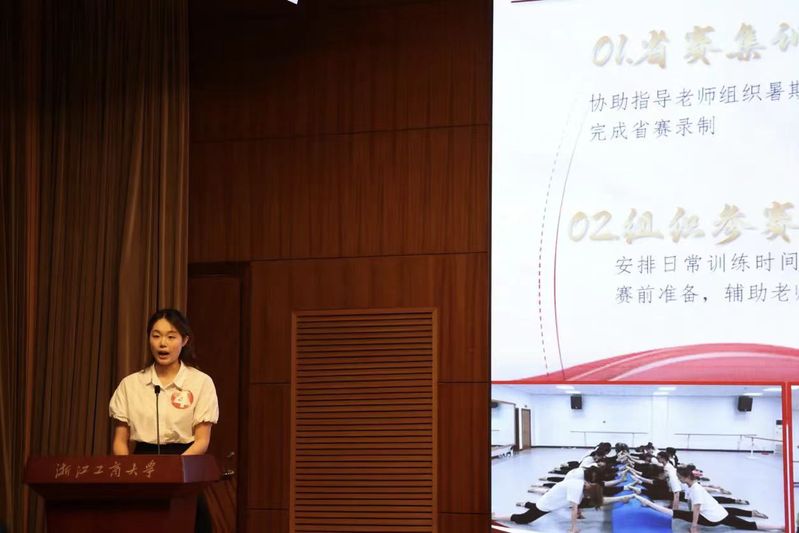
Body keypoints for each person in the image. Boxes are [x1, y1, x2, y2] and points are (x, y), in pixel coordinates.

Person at [109, 309, 219, 532]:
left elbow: (202, 440)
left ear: (184, 341)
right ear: (149, 338)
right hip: (141, 466)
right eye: (156, 335)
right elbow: (120, 441)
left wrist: (173, 470)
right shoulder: (131, 385)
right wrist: (129, 472)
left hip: (184, 466)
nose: (162, 344)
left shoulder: (201, 382)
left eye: (171, 336)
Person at [635, 466, 782, 531]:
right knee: (747, 525)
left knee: (677, 513)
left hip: (711, 519)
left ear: (685, 477)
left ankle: (647, 503)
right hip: (720, 513)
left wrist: (694, 526)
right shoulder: (691, 485)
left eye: (679, 477)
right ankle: (780, 526)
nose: (678, 479)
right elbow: (691, 503)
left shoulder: (696, 489)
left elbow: (696, 508)